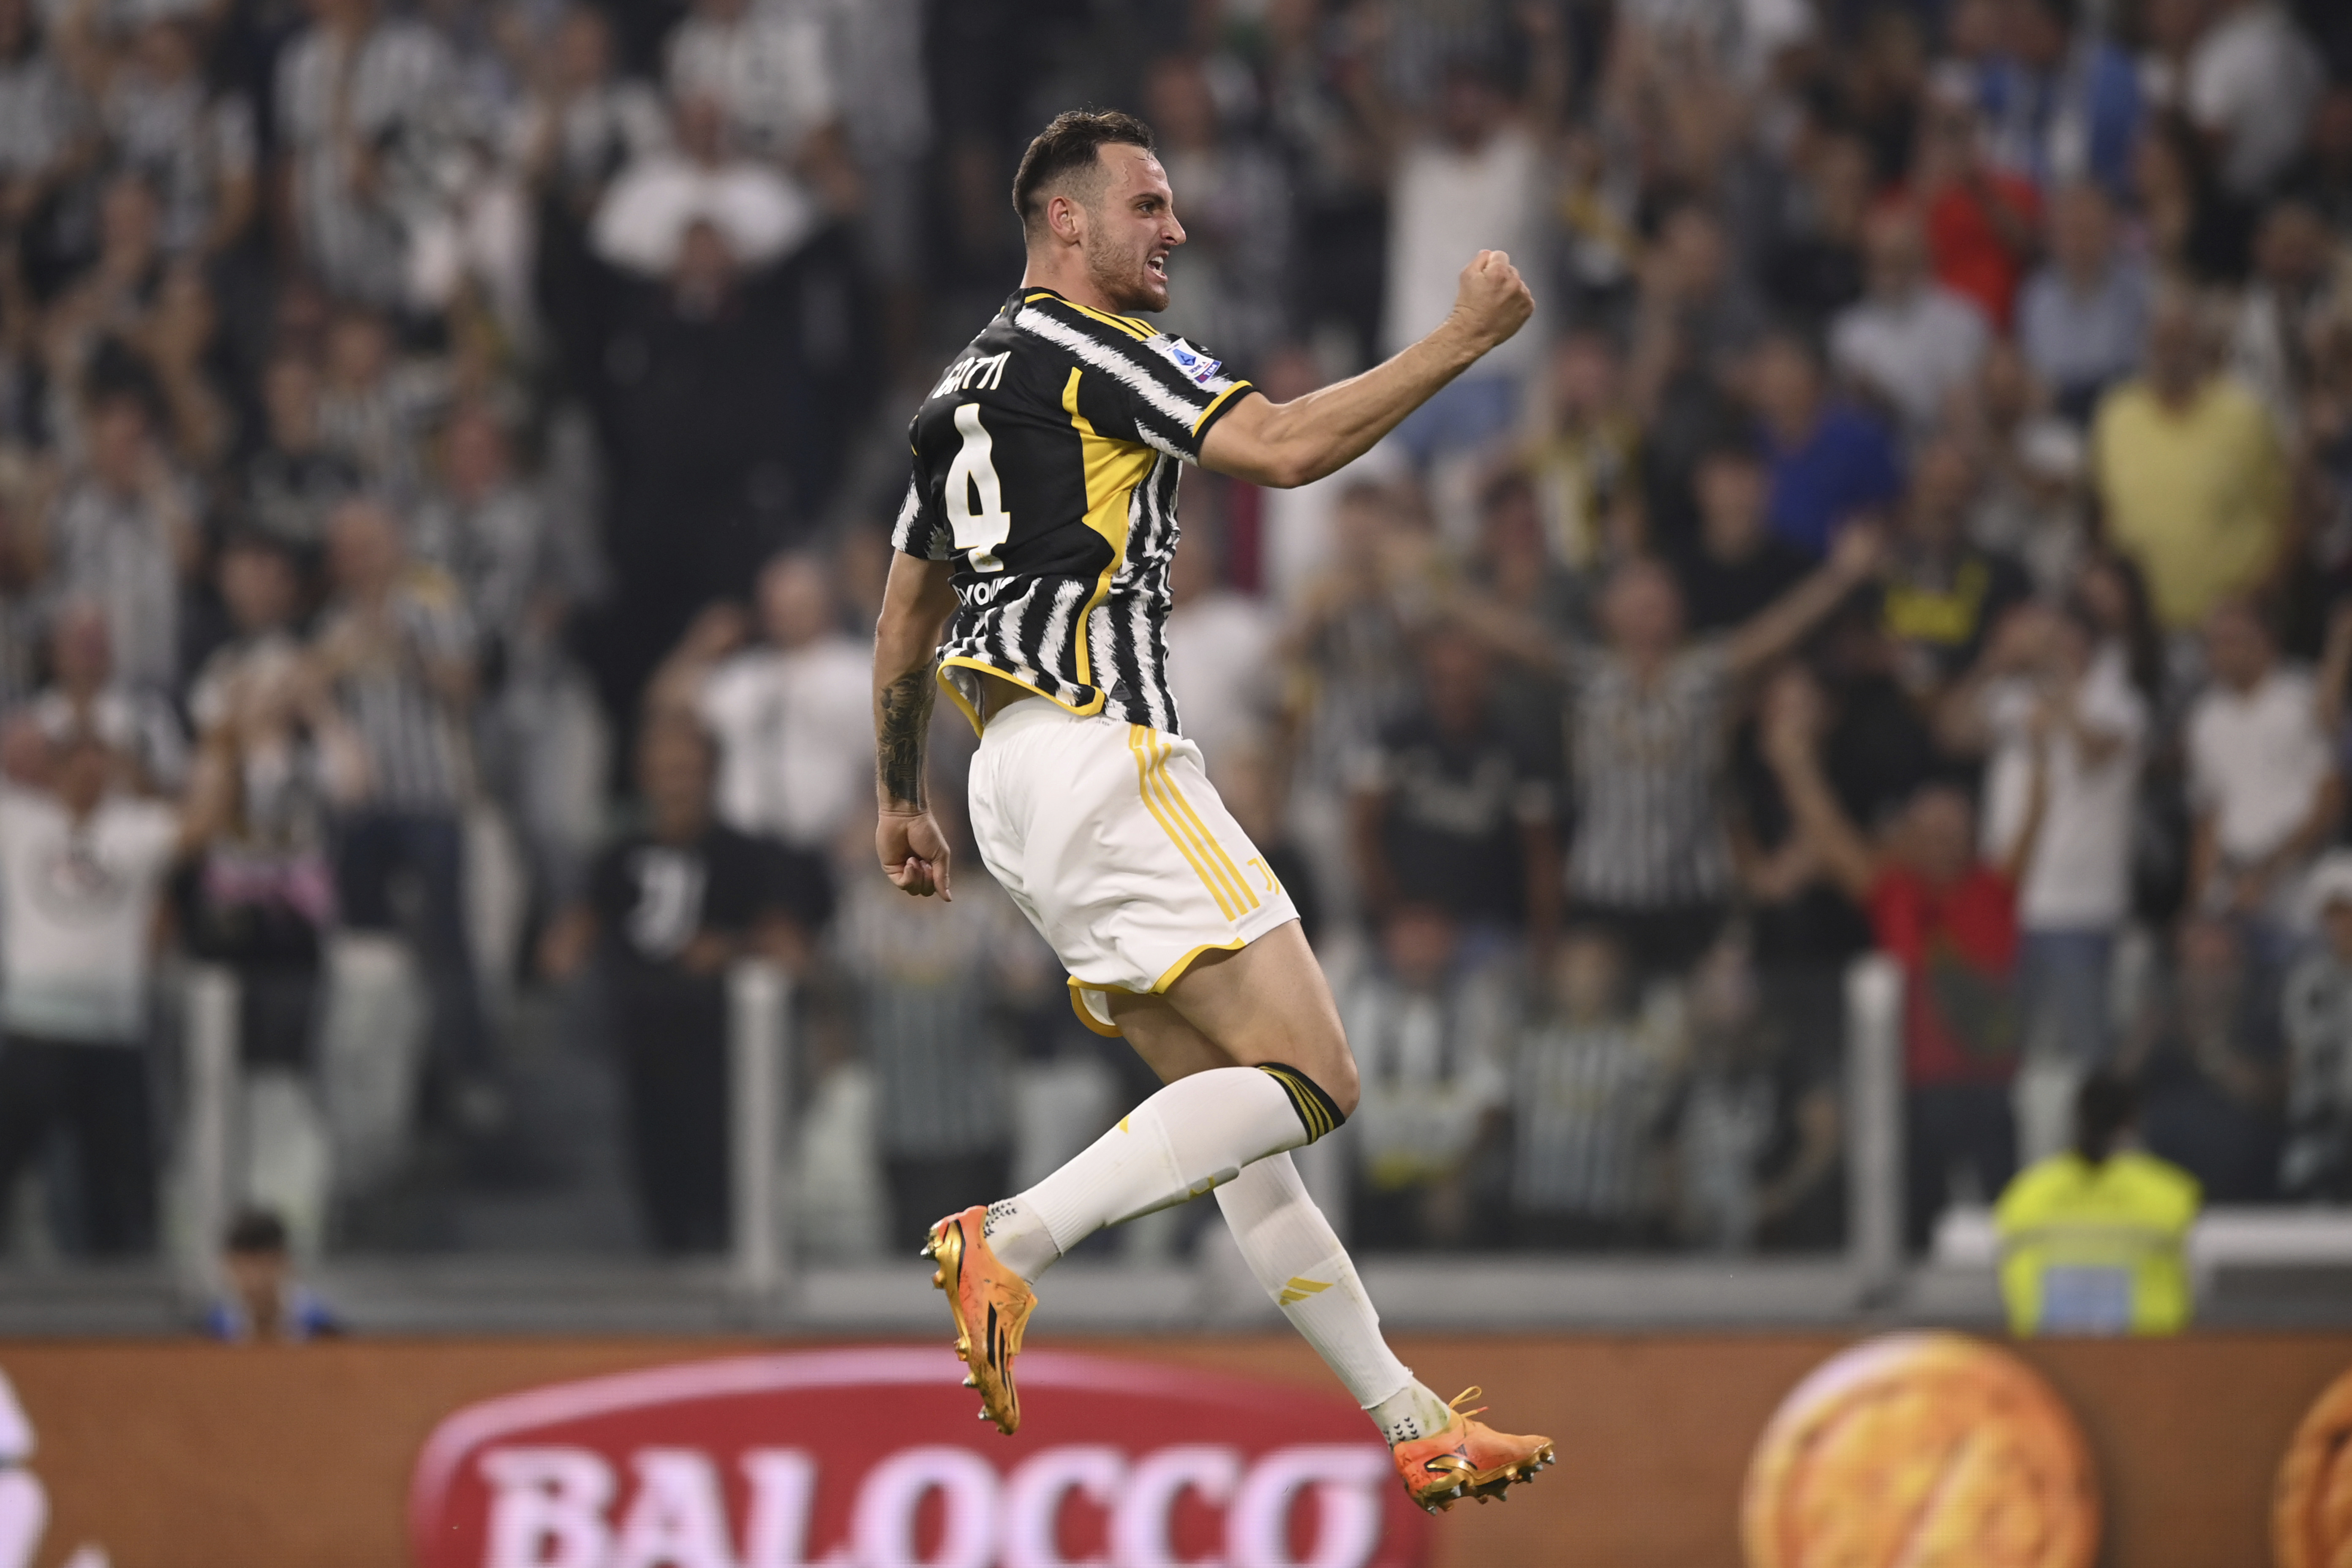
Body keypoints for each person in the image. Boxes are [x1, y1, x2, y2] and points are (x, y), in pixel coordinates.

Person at [873, 109, 1554, 1507]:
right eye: (1145, 205)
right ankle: (1012, 1236)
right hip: (1101, 753)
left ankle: (1406, 1416)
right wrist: (1461, 338)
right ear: (1062, 221)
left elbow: (902, 624)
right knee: (1315, 1081)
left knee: (1232, 1118)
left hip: (1006, 784)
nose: (1171, 229)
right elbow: (1289, 447)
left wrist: (898, 797)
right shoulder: (1101, 353)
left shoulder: (953, 397)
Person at [1764, 676, 2049, 1250]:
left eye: (1956, 830)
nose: (1945, 840)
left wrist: (2040, 748)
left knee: (2008, 1226)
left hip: (1990, 1089)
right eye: (1932, 830)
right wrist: (1795, 766)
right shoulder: (1891, 891)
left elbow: (2037, 814)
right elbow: (1827, 830)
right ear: (1909, 837)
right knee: (1915, 1228)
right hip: (1913, 1092)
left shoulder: (1995, 891)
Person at [539, 719, 817, 1253]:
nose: (678, 785)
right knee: (655, 1185)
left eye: (689, 772)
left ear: (713, 776)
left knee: (725, 1181)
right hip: (639, 1045)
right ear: (644, 779)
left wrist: (730, 950)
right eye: (666, 773)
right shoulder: (617, 858)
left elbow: (790, 947)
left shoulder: (749, 856)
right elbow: (563, 947)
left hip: (724, 1053)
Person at [0, 724, 221, 1256]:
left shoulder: (133, 830)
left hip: (112, 1032)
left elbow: (200, 825)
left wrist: (223, 748)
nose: (89, 774)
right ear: (55, 772)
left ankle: (128, 1298)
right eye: (78, 762)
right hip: (33, 1028)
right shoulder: (20, 821)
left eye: (100, 763)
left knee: (121, 1174)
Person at [2091, 286, 2287, 632]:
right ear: (2144, 346)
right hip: (2142, 630)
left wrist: (2259, 598)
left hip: (2232, 629)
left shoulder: (2244, 415)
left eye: (2182, 343)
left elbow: (2288, 514)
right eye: (2162, 343)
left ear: (2203, 347)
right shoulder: (2116, 416)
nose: (2172, 355)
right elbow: (2099, 513)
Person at [1341, 904, 1513, 1251]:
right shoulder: (1356, 1004)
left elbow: (1496, 1101)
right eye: (1409, 938)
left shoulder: (1480, 1004)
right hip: (1371, 1185)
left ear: (1452, 942)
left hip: (1456, 1184)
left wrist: (1458, 1180)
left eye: (1431, 938)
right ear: (1388, 944)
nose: (1419, 952)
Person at [1993, 1070, 2200, 1335]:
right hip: (2148, 1360)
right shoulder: (2169, 1195)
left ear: (2075, 1119)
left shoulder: (2025, 1195)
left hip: (2046, 1360)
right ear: (2133, 1121)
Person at [2284, 852, 2352, 1199]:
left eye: (2348, 913)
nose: (2342, 925)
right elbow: (2300, 1051)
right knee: (2310, 1194)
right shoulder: (2307, 980)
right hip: (2319, 1118)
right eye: (2334, 915)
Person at [201, 1209, 341, 1342]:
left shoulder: (326, 1332)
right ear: (227, 1266)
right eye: (244, 1269)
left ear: (287, 1263)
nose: (255, 1280)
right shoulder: (207, 1334)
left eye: (265, 1266)